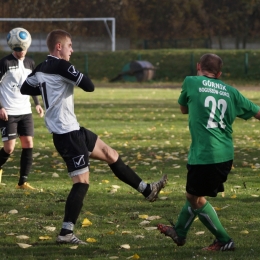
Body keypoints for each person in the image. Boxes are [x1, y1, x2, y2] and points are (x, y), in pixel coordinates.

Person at [20, 29, 167, 245]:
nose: (72, 50)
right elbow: (89, 86)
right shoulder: (62, 66)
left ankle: (148, 190)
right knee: (81, 182)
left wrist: (49, 88)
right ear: (59, 47)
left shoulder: (42, 67)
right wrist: (71, 73)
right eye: (70, 45)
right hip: (66, 134)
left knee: (110, 154)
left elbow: (25, 88)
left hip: (74, 129)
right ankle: (66, 233)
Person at [157, 53, 260, 251]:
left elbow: (183, 109)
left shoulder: (191, 82)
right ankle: (180, 232)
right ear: (219, 73)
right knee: (195, 194)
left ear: (198, 66)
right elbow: (257, 112)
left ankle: (224, 240)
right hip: (225, 155)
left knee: (194, 198)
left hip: (205, 155)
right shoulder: (231, 92)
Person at [0, 28, 44, 189]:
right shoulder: (5, 63)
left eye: (23, 48)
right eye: (18, 49)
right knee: (9, 148)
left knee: (28, 143)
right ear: (12, 48)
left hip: (25, 111)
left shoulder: (30, 63)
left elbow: (31, 85)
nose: (21, 52)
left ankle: (22, 182)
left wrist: (37, 104)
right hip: (9, 112)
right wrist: (1, 107)